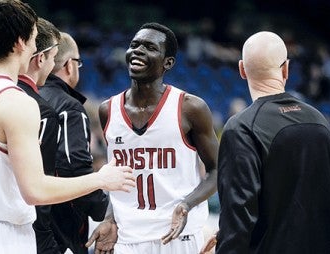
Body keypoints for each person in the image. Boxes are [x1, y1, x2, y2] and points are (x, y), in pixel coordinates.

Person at [0, 1, 135, 253]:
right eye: (33, 39)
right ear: (20, 43)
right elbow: (36, 190)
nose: (33, 47)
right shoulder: (16, 100)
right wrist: (100, 179)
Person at [86, 22, 219, 254]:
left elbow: (218, 170)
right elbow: (119, 178)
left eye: (149, 47)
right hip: (127, 236)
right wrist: (109, 218)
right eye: (134, 45)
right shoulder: (108, 110)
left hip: (178, 234)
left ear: (168, 62)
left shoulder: (190, 108)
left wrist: (187, 204)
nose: (137, 51)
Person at [215, 31, 330, 253]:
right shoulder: (319, 121)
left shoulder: (242, 128)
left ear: (242, 70)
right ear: (286, 68)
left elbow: (238, 219)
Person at [39, 32, 109, 254]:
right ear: (69, 65)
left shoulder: (20, 96)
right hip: (58, 232)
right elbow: (75, 168)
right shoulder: (69, 107)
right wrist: (103, 209)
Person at [17, 17, 61, 253]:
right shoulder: (40, 111)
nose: (54, 66)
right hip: (12, 231)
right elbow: (37, 191)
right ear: (40, 57)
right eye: (54, 57)